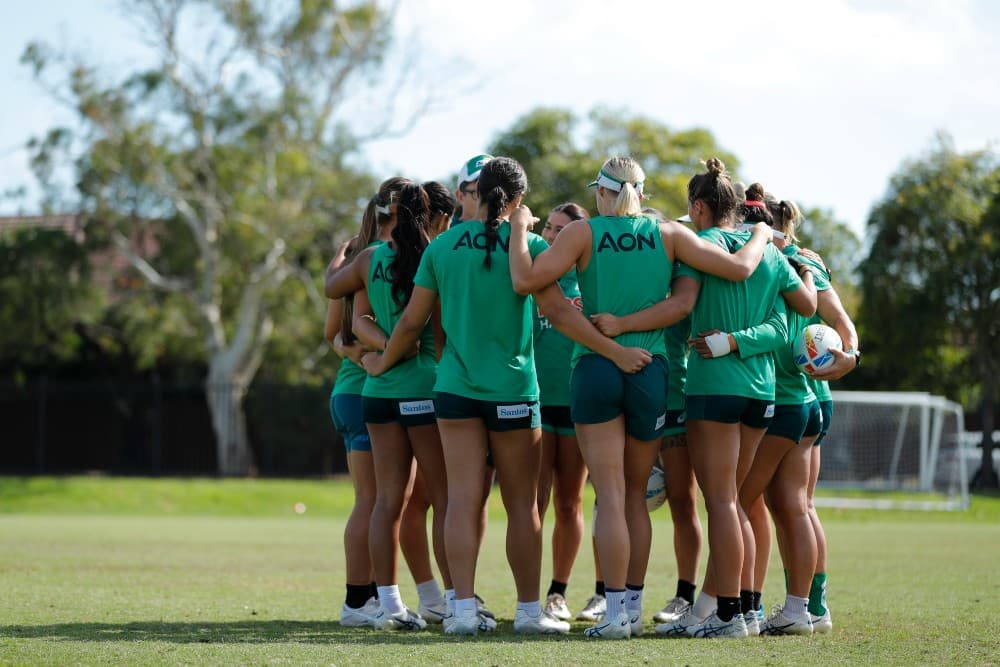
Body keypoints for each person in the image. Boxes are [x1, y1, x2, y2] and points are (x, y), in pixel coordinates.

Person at [363, 157, 650, 636]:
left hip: (454, 390)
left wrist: (381, 361)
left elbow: (412, 322)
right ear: (518, 199)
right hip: (513, 391)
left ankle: (460, 612)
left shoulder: (443, 246)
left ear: (475, 193)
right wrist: (615, 352)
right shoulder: (532, 246)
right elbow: (560, 313)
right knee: (523, 506)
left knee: (460, 500)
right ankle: (528, 612)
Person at [508, 156, 772, 639]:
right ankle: (631, 607)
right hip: (651, 370)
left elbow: (526, 281)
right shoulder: (669, 233)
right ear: (642, 194)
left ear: (602, 192)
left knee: (609, 495)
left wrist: (521, 229)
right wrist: (760, 232)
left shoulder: (581, 233)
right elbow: (735, 271)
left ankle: (615, 617)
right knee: (635, 494)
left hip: (594, 368)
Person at [652, 166, 816, 640]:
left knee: (723, 503)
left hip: (714, 388)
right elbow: (801, 313)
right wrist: (799, 263)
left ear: (699, 207)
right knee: (737, 504)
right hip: (762, 392)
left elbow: (681, 309)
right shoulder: (769, 253)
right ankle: (740, 610)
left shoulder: (698, 246)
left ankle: (726, 615)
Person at [769, 195, 860, 635]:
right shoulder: (799, 259)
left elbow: (840, 321)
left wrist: (850, 357)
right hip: (808, 396)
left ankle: (803, 606)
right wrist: (851, 354)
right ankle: (812, 606)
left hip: (801, 394)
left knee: (792, 504)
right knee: (795, 505)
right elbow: (841, 321)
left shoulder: (795, 261)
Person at [325, 177, 409, 628]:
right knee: (375, 501)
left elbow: (333, 334)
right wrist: (373, 356)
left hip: (346, 391)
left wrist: (353, 353)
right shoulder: (388, 258)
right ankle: (360, 601)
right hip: (368, 393)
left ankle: (367, 597)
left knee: (370, 499)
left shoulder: (353, 257)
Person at [533, 203, 591, 621]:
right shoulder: (531, 275)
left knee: (569, 503)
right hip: (533, 401)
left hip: (576, 403)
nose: (552, 237)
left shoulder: (589, 279)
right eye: (549, 228)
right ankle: (527, 595)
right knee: (533, 503)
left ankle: (558, 592)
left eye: (561, 230)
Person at [453, 154, 493, 225]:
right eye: (479, 193)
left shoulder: (510, 229)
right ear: (460, 196)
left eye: (493, 193)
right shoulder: (443, 229)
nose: (487, 200)